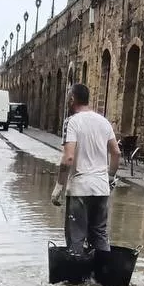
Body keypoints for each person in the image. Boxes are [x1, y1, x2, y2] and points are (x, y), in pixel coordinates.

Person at [51, 83, 121, 254]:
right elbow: (116, 153)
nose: (68, 98)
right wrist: (110, 178)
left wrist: (59, 187)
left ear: (73, 99)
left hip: (80, 189)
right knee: (99, 235)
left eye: (69, 95)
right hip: (101, 188)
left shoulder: (72, 122)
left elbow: (68, 158)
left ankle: (75, 279)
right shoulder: (104, 122)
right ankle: (103, 275)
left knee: (76, 237)